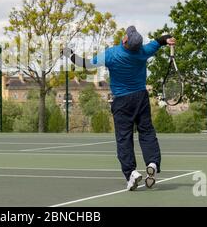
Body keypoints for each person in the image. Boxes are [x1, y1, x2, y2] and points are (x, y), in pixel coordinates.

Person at [62, 26, 175, 191]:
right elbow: (159, 41)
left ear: (125, 40)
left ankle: (131, 173)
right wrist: (168, 39)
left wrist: (68, 53)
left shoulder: (111, 54)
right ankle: (152, 162)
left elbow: (84, 64)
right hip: (141, 98)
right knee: (147, 132)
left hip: (122, 101)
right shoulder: (143, 51)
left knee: (124, 138)